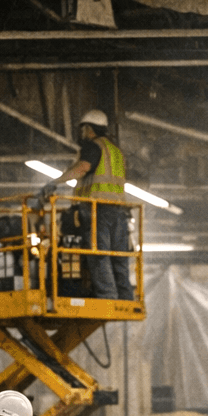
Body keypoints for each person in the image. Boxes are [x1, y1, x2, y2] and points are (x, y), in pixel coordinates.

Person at [42, 109, 135, 301]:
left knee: (98, 254)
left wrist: (55, 182)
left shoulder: (94, 147)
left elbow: (83, 168)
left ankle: (107, 296)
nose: (82, 133)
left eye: (83, 129)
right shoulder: (116, 152)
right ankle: (125, 297)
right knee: (119, 256)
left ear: (88, 128)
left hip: (98, 209)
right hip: (118, 211)